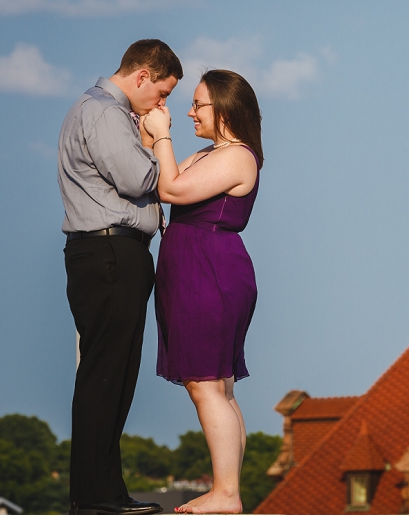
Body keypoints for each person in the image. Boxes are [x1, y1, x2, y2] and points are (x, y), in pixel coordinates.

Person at [58, 39, 183, 515]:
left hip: (108, 252)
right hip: (110, 251)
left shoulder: (95, 109)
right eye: (162, 93)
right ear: (142, 76)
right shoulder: (107, 114)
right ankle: (94, 497)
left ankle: (106, 492)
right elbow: (139, 180)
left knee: (113, 375)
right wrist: (159, 140)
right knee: (105, 376)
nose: (161, 105)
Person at [142, 69, 263, 514]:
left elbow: (172, 188)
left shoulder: (237, 157)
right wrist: (152, 136)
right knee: (217, 387)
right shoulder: (208, 154)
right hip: (194, 269)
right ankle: (226, 488)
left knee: (207, 386)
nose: (190, 112)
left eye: (198, 104)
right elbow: (162, 178)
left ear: (225, 110)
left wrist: (161, 137)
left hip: (209, 271)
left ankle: (226, 493)